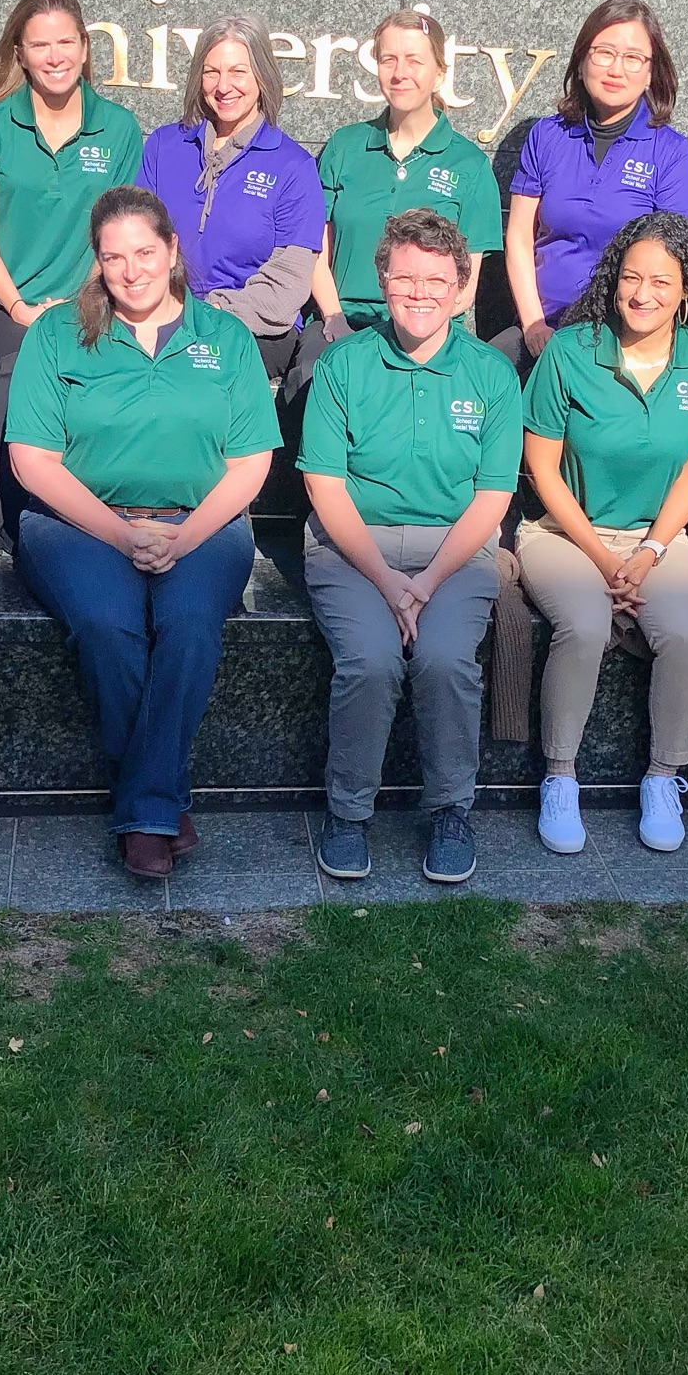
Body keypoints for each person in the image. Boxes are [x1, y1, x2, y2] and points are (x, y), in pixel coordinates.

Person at [4, 186, 278, 880]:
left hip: (202, 524)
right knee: (106, 624)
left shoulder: (226, 339)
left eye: (145, 253)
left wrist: (182, 541)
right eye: (114, 257)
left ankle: (144, 805)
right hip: (77, 525)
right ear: (96, 263)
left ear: (173, 250)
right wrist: (123, 537)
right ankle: (161, 803)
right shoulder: (57, 333)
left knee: (189, 625)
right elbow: (32, 461)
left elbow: (251, 463)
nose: (132, 271)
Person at [299, 208, 520, 888]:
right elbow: (325, 485)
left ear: (459, 288)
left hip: (455, 552)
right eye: (405, 277)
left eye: (436, 279)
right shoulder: (343, 366)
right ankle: (348, 814)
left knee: (446, 658)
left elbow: (491, 497)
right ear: (382, 281)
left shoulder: (491, 375)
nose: (419, 292)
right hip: (350, 548)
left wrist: (425, 582)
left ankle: (452, 810)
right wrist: (390, 582)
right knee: (368, 661)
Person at [518, 212, 688, 855]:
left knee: (684, 632)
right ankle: (559, 777)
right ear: (613, 282)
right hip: (563, 531)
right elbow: (542, 470)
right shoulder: (570, 350)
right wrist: (602, 559)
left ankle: (664, 777)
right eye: (631, 279)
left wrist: (646, 554)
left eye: (661, 282)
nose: (643, 294)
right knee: (584, 624)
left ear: (686, 291)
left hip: (657, 537)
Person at [0, 0, 143, 548]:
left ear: (85, 48)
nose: (55, 56)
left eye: (66, 42)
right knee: (22, 354)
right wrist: (20, 308)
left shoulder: (119, 128)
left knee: (35, 356)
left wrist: (80, 301)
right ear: (20, 52)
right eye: (41, 45)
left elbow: (116, 232)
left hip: (86, 304)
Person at [295, 11, 501, 389]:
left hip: (427, 331)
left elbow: (465, 288)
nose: (399, 72)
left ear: (439, 71)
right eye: (388, 59)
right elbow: (313, 251)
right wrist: (335, 318)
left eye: (414, 60)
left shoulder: (469, 165)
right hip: (342, 323)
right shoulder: (344, 147)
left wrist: (413, 328)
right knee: (310, 382)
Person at [493, 0, 688, 375]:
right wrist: (533, 323)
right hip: (544, 326)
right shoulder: (547, 136)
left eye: (633, 57)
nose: (616, 69)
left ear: (651, 72)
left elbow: (671, 255)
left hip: (621, 335)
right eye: (604, 53)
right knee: (479, 377)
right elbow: (519, 236)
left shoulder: (669, 151)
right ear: (582, 60)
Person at [137, 14, 323, 384]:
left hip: (254, 330)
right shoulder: (164, 146)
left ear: (262, 77)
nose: (224, 86)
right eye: (211, 72)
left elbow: (288, 287)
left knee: (192, 369)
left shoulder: (293, 166)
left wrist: (204, 312)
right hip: (159, 315)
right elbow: (136, 241)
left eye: (238, 71)